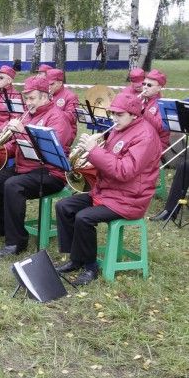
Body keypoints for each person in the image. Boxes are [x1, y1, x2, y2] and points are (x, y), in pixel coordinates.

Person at [55, 92, 160, 285]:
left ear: (134, 115)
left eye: (119, 114)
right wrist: (87, 157)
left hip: (129, 199)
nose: (114, 118)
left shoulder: (145, 136)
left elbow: (124, 171)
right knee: (64, 206)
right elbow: (110, 161)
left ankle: (90, 267)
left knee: (84, 217)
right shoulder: (120, 129)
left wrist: (94, 151)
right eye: (113, 113)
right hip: (106, 191)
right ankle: (76, 259)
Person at [0, 76, 74, 256]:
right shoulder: (29, 115)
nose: (27, 103)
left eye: (32, 98)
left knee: (13, 185)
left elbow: (48, 151)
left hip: (50, 172)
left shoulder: (57, 118)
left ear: (44, 96)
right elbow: (16, 145)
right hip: (25, 168)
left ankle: (17, 242)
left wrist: (21, 132)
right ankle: (1, 228)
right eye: (26, 98)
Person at [140, 69, 170, 149]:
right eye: (144, 84)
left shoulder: (162, 104)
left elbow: (161, 127)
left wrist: (143, 111)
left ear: (159, 88)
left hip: (156, 143)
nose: (145, 87)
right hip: (141, 139)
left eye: (149, 85)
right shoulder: (142, 100)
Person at [46, 68, 78, 134]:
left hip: (65, 129)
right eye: (47, 84)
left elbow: (72, 117)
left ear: (60, 83)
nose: (49, 87)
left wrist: (52, 109)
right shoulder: (45, 94)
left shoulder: (70, 96)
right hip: (47, 125)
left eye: (52, 84)